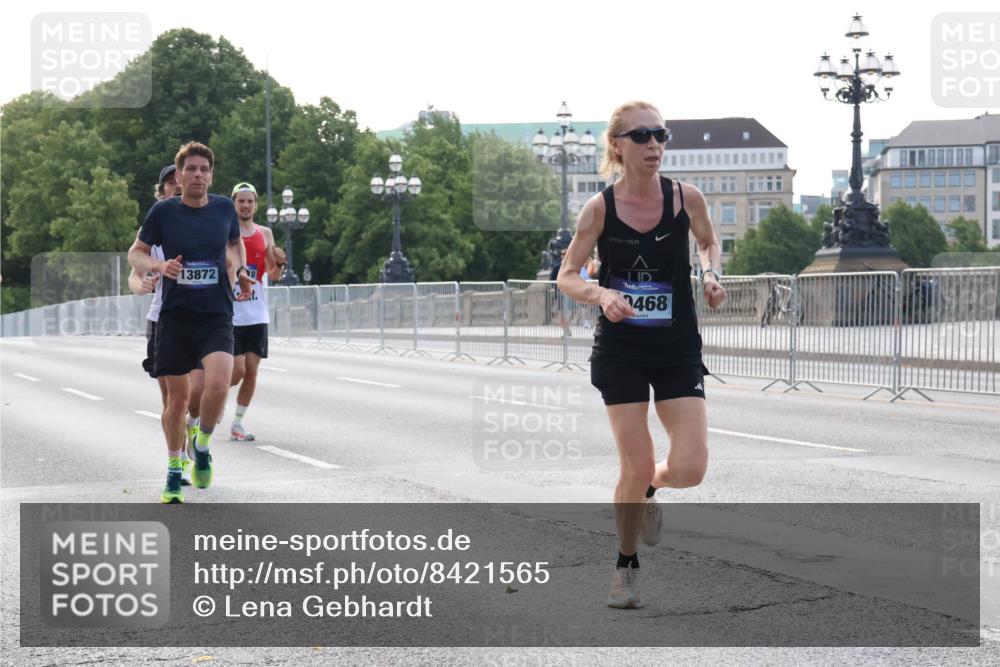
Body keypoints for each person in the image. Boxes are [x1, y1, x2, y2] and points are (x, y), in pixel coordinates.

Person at [556, 101, 726, 609]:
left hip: (676, 345)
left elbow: (708, 243)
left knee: (690, 468)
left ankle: (651, 487)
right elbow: (567, 275)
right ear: (617, 145)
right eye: (641, 136)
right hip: (621, 349)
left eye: (660, 135)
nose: (654, 144)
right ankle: (626, 563)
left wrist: (711, 275)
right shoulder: (600, 209)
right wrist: (602, 295)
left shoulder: (685, 198)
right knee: (635, 462)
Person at [128, 142, 253, 504]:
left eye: (204, 169)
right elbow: (136, 252)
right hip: (175, 317)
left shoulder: (224, 208)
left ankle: (202, 443)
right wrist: (158, 266)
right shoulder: (163, 212)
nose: (197, 175)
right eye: (191, 169)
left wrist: (241, 271)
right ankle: (173, 469)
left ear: (211, 176)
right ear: (179, 177)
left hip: (216, 314)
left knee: (219, 385)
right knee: (177, 401)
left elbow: (234, 246)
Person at [128, 165, 198, 485]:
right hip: (162, 320)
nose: (177, 187)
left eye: (180, 181)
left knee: (197, 395)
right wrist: (140, 285)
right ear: (162, 192)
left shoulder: (203, 223)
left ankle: (193, 428)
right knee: (172, 400)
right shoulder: (151, 230)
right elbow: (134, 274)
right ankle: (178, 458)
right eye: (171, 183)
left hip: (199, 319)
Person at [228, 181, 285, 441]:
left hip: (256, 313)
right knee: (236, 371)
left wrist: (280, 264)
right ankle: (210, 399)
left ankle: (237, 423)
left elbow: (273, 273)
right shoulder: (226, 232)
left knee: (251, 370)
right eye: (241, 201)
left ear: (256, 205)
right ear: (233, 204)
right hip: (231, 313)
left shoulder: (265, 233)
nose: (246, 205)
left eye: (250, 201)